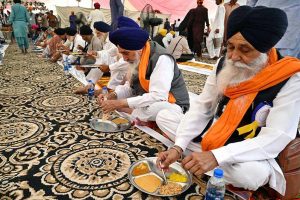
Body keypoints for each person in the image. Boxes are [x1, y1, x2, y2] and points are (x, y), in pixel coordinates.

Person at [156, 6, 300, 196]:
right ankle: (196, 157)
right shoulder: (224, 62)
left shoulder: (290, 78)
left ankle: (200, 159)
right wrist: (178, 146)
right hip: (215, 135)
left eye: (245, 50)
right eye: (230, 46)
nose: (233, 56)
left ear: (265, 49)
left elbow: (277, 136)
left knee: (251, 176)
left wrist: (217, 156)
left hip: (249, 149)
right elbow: (203, 107)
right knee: (164, 116)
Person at [97, 25, 190, 124]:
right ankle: (136, 112)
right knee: (124, 99)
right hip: (151, 97)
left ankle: (132, 112)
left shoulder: (162, 59)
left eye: (126, 53)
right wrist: (113, 96)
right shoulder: (138, 57)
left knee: (155, 109)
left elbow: (159, 96)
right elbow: (131, 88)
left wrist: (120, 104)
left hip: (172, 103)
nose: (124, 58)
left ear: (139, 49)